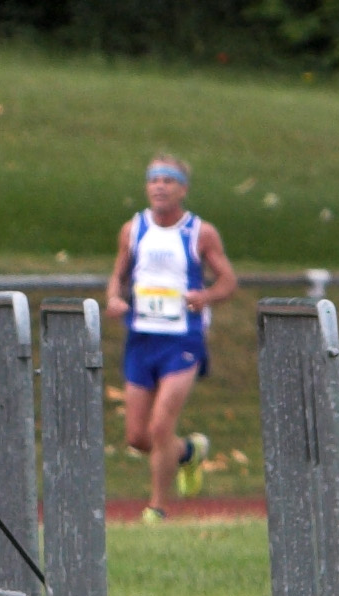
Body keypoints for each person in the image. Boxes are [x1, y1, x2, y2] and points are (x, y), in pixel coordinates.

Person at [105, 154, 237, 524]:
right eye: (154, 180)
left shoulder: (200, 232)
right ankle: (188, 453)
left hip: (182, 339)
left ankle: (157, 508)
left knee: (161, 425)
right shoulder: (133, 230)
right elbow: (118, 276)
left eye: (168, 180)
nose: (160, 186)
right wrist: (114, 299)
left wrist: (205, 296)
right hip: (141, 338)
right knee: (138, 437)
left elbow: (228, 281)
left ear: (183, 189)